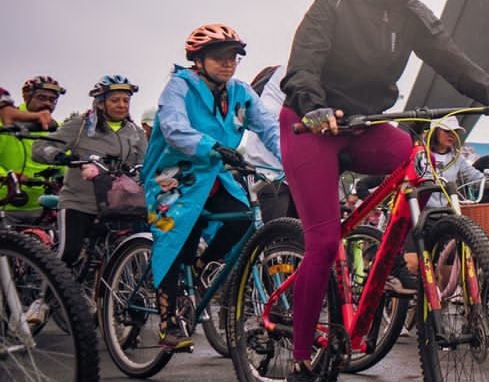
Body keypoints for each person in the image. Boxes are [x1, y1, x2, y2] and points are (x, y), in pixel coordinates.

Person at [278, 0, 489, 382]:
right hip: (313, 125)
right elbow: (302, 67)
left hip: (365, 123)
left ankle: (401, 256)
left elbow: (452, 59)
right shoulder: (332, 0)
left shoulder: (410, 11)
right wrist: (314, 109)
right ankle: (301, 363)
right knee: (324, 240)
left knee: (413, 157)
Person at [144, 26, 280, 352]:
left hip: (216, 175)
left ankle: (205, 268)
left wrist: (294, 162)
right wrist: (213, 147)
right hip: (173, 176)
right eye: (219, 57)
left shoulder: (240, 93)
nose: (228, 64)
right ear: (198, 60)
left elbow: (269, 127)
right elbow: (174, 128)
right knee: (176, 237)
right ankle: (168, 323)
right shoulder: (179, 87)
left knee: (244, 220)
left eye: (233, 57)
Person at [32, 75, 148, 267]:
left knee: (119, 255)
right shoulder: (80, 125)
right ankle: (46, 297)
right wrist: (60, 156)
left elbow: (145, 163)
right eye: (115, 100)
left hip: (118, 205)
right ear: (100, 103)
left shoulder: (135, 132)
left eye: (126, 100)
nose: (122, 105)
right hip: (79, 203)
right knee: (68, 255)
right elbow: (39, 147)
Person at [0, 76, 66, 219]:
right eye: (42, 98)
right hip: (6, 204)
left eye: (52, 100)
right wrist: (10, 176)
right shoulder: (5, 123)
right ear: (26, 96)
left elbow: (64, 163)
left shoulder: (56, 128)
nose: (47, 103)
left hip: (42, 207)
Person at [242, 64, 295, 222]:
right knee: (273, 237)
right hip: (268, 172)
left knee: (300, 240)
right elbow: (269, 123)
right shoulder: (283, 75)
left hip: (294, 175)